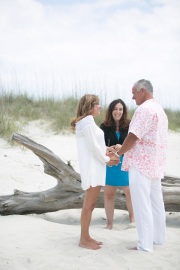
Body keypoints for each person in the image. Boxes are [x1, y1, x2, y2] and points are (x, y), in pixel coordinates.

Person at [115, 79, 168, 252]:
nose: (132, 97)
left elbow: (132, 137)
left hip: (141, 163)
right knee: (156, 203)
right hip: (155, 163)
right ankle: (158, 239)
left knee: (141, 204)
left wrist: (119, 153)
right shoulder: (160, 110)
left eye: (134, 93)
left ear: (142, 91)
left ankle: (145, 245)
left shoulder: (144, 109)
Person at [70, 94, 119, 250]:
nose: (100, 106)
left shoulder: (88, 122)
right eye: (97, 104)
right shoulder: (86, 122)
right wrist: (108, 160)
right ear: (90, 106)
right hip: (93, 169)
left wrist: (107, 150)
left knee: (89, 205)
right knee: (89, 205)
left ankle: (86, 236)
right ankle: (83, 240)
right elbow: (92, 148)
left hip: (96, 167)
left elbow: (95, 145)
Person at [100, 99, 135, 229]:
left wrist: (122, 146)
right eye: (115, 109)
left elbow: (135, 144)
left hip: (126, 163)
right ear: (111, 110)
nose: (118, 112)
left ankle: (132, 220)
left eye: (120, 109)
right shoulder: (104, 126)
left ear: (123, 111)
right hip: (110, 164)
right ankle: (109, 224)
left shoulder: (131, 125)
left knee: (129, 192)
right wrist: (110, 148)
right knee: (109, 194)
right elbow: (99, 146)